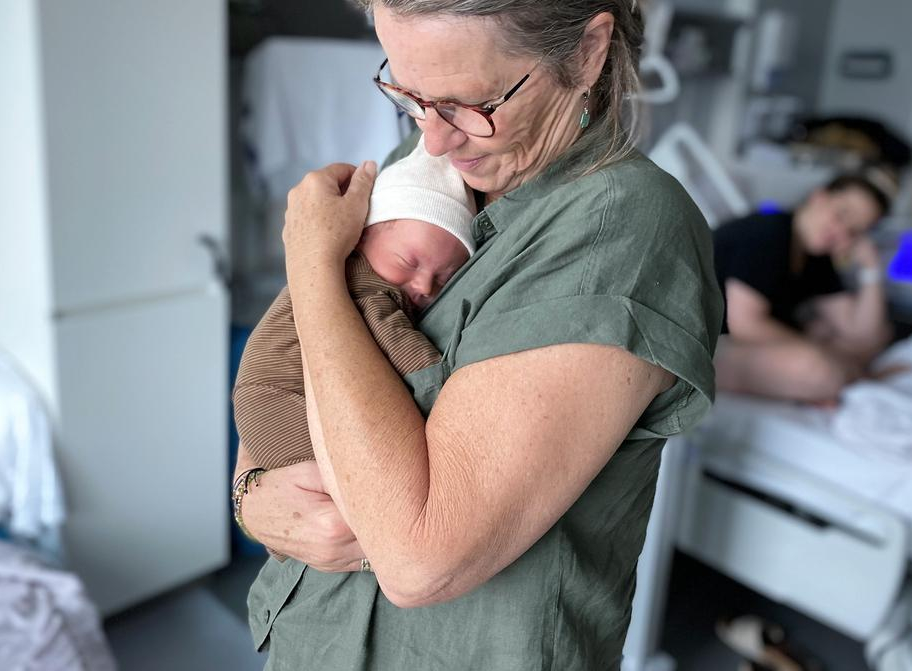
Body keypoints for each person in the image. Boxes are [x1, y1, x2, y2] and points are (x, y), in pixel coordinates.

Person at [231, 1, 723, 669]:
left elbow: (417, 558)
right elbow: (291, 362)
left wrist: (311, 262)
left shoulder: (623, 226)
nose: (433, 139)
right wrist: (254, 492)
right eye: (408, 95)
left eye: (467, 102)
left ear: (585, 52)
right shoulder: (434, 160)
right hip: (314, 641)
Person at [232, 139, 475, 471]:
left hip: (262, 403)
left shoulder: (354, 269)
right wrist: (447, 387)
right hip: (281, 402)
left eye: (445, 276)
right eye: (408, 261)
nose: (424, 285)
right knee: (368, 478)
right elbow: (399, 344)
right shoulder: (365, 286)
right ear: (360, 236)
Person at [713, 169, 896, 404]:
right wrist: (828, 354)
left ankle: (841, 378)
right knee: (819, 369)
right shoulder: (770, 231)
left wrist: (871, 268)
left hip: (749, 343)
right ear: (819, 197)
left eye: (854, 232)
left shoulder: (816, 257)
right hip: (710, 344)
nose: (840, 233)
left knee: (870, 337)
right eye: (841, 215)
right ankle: (848, 378)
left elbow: (864, 334)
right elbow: (745, 325)